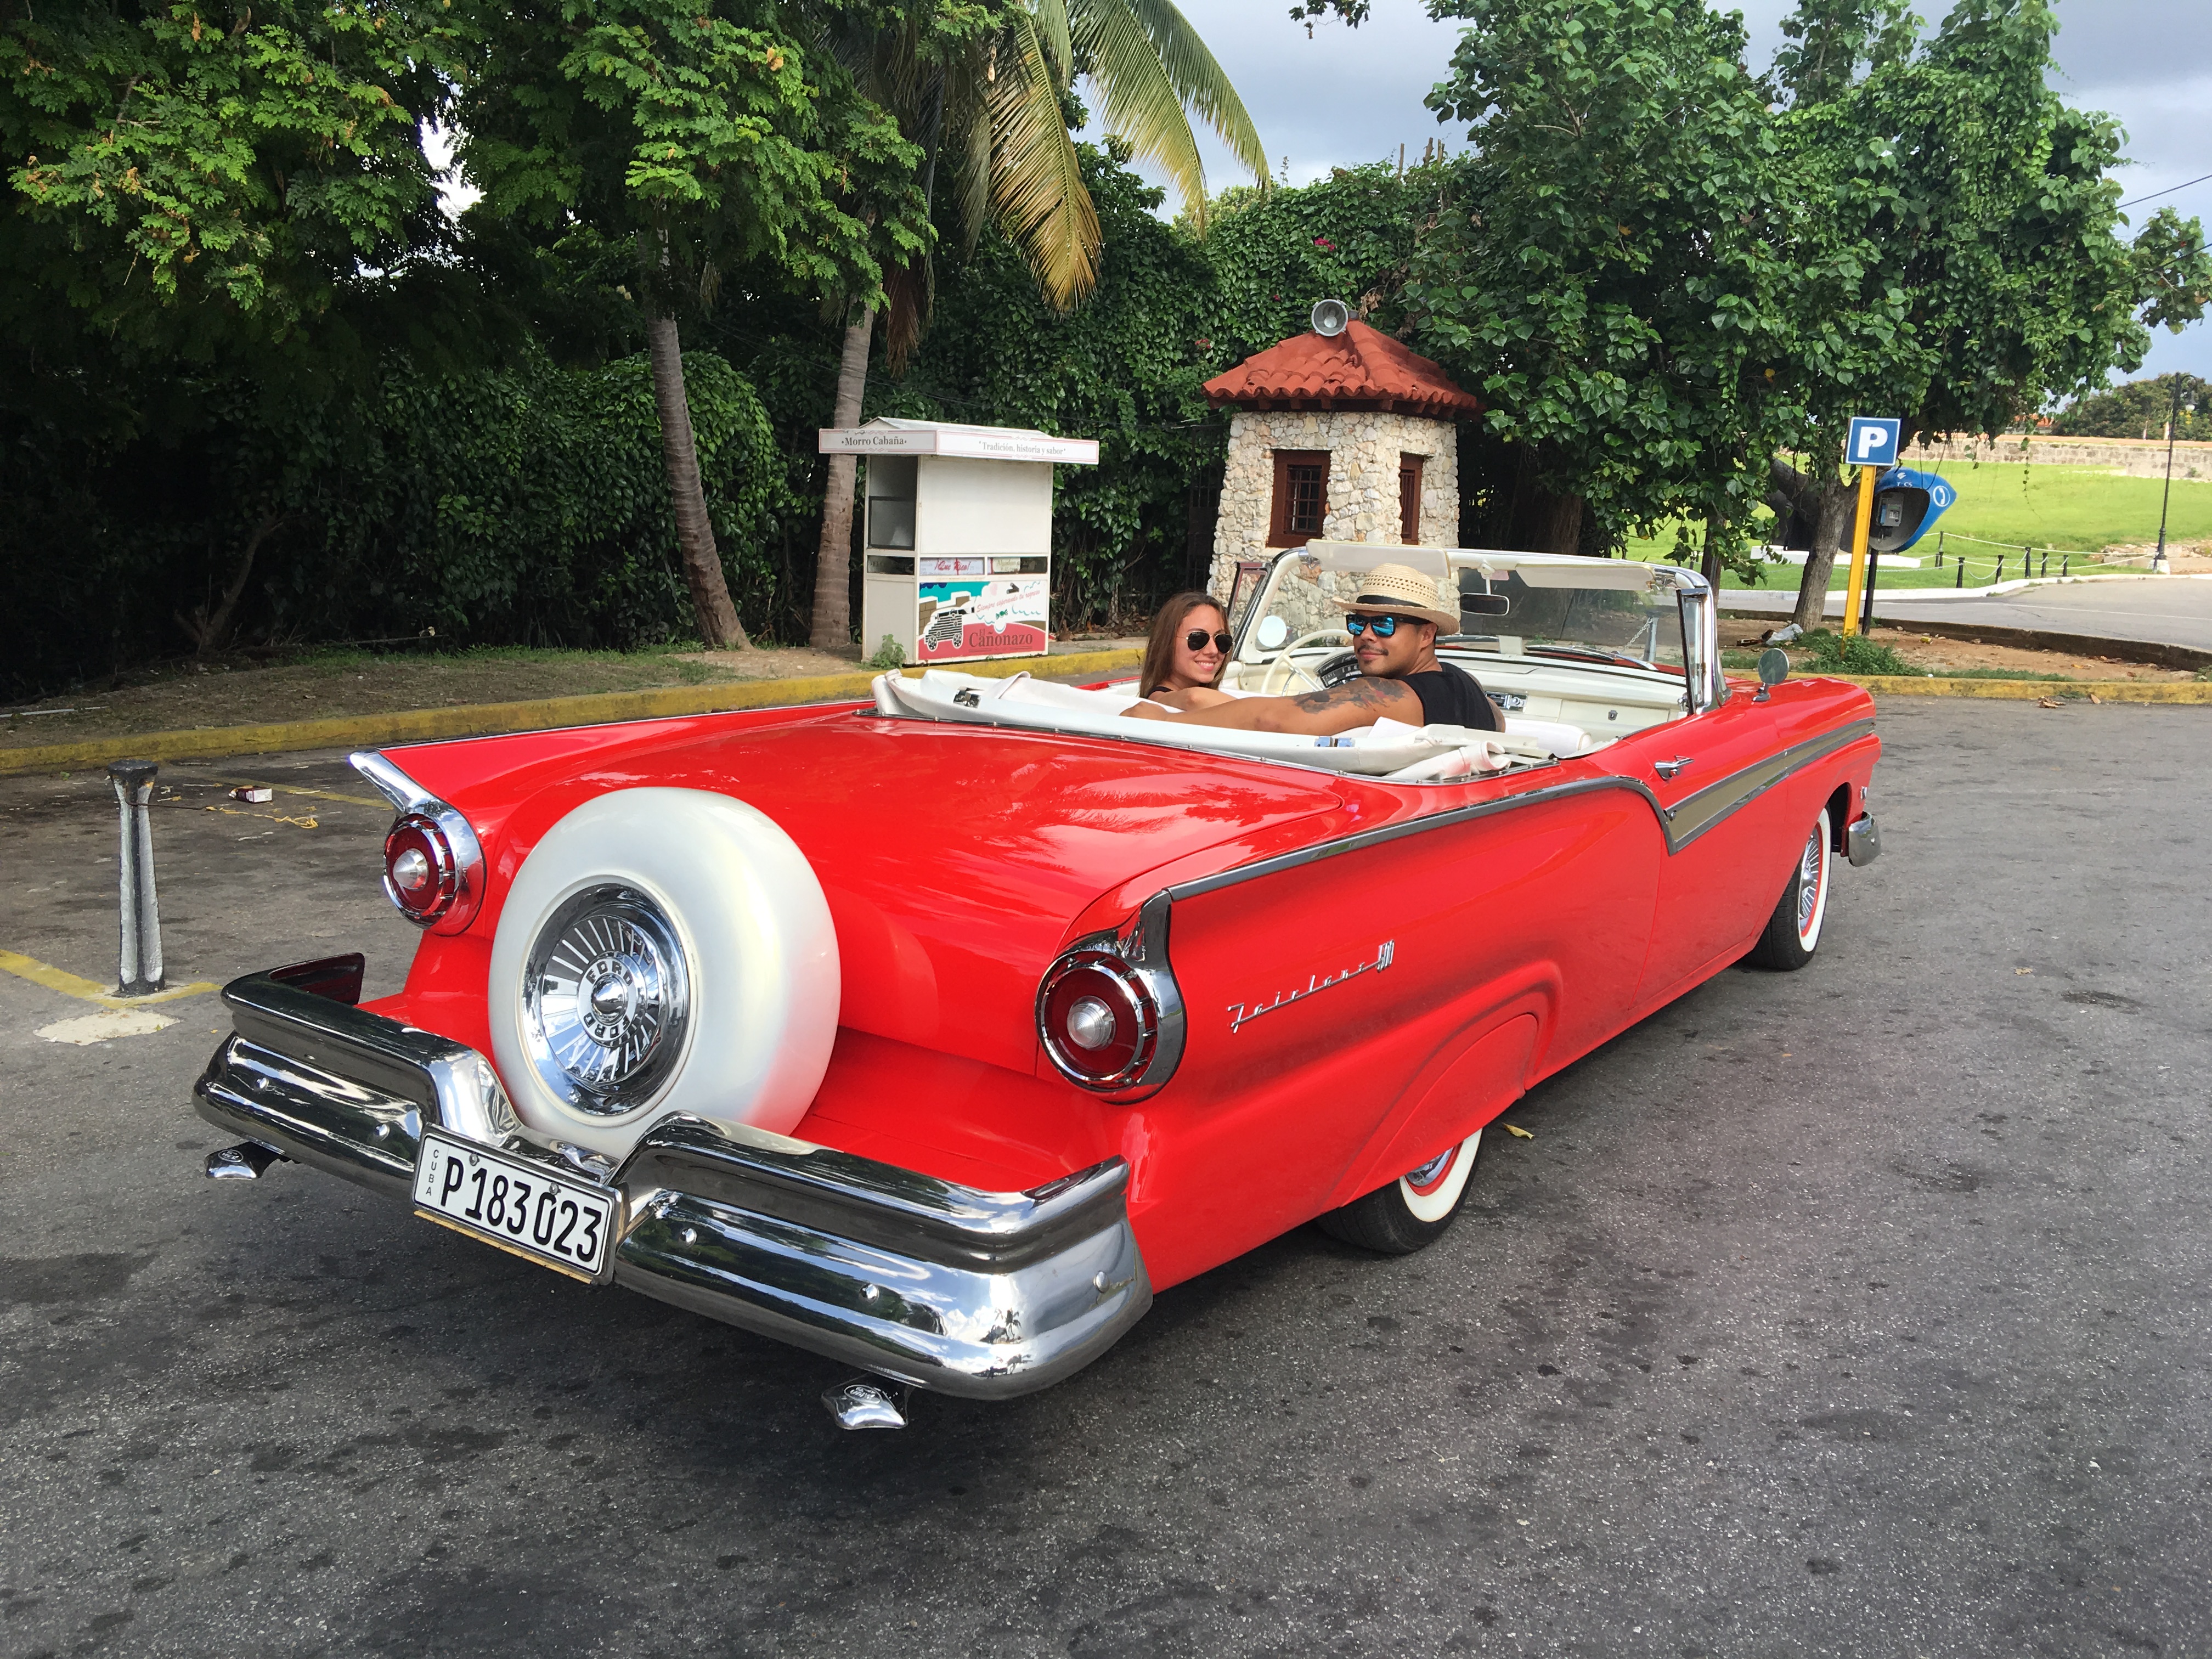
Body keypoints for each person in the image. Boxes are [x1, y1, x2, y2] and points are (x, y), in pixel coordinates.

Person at [1129, 562, 1500, 735]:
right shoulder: (1463, 686)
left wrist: (1162, 721)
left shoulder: (1385, 693)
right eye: (1357, 622)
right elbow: (1497, 719)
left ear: (1426, 635)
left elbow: (1273, 720)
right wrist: (1190, 699)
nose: (1366, 635)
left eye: (1385, 623)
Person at [1136, 592, 1237, 707]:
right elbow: (1193, 699)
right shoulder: (1160, 699)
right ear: (1167, 643)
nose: (1213, 650)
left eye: (1222, 640)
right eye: (1197, 639)